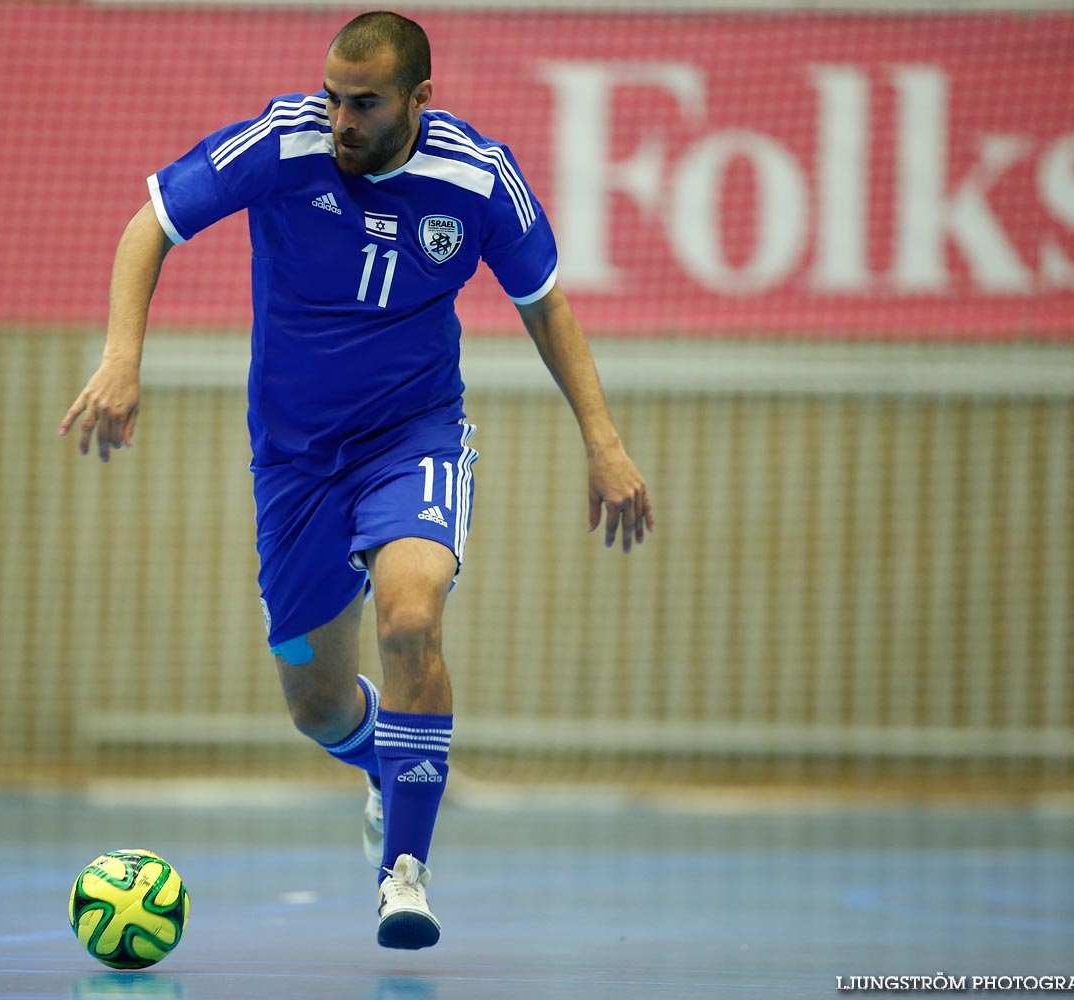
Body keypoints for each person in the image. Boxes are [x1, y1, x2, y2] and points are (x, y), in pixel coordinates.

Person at [59, 10, 653, 950]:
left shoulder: (478, 179)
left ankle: (403, 874)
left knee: (410, 617)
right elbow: (151, 225)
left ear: (419, 99)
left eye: (364, 102)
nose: (339, 116)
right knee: (319, 708)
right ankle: (389, 762)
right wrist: (123, 356)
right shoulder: (283, 143)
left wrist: (604, 440)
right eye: (333, 94)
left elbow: (545, 305)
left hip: (411, 438)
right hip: (294, 464)